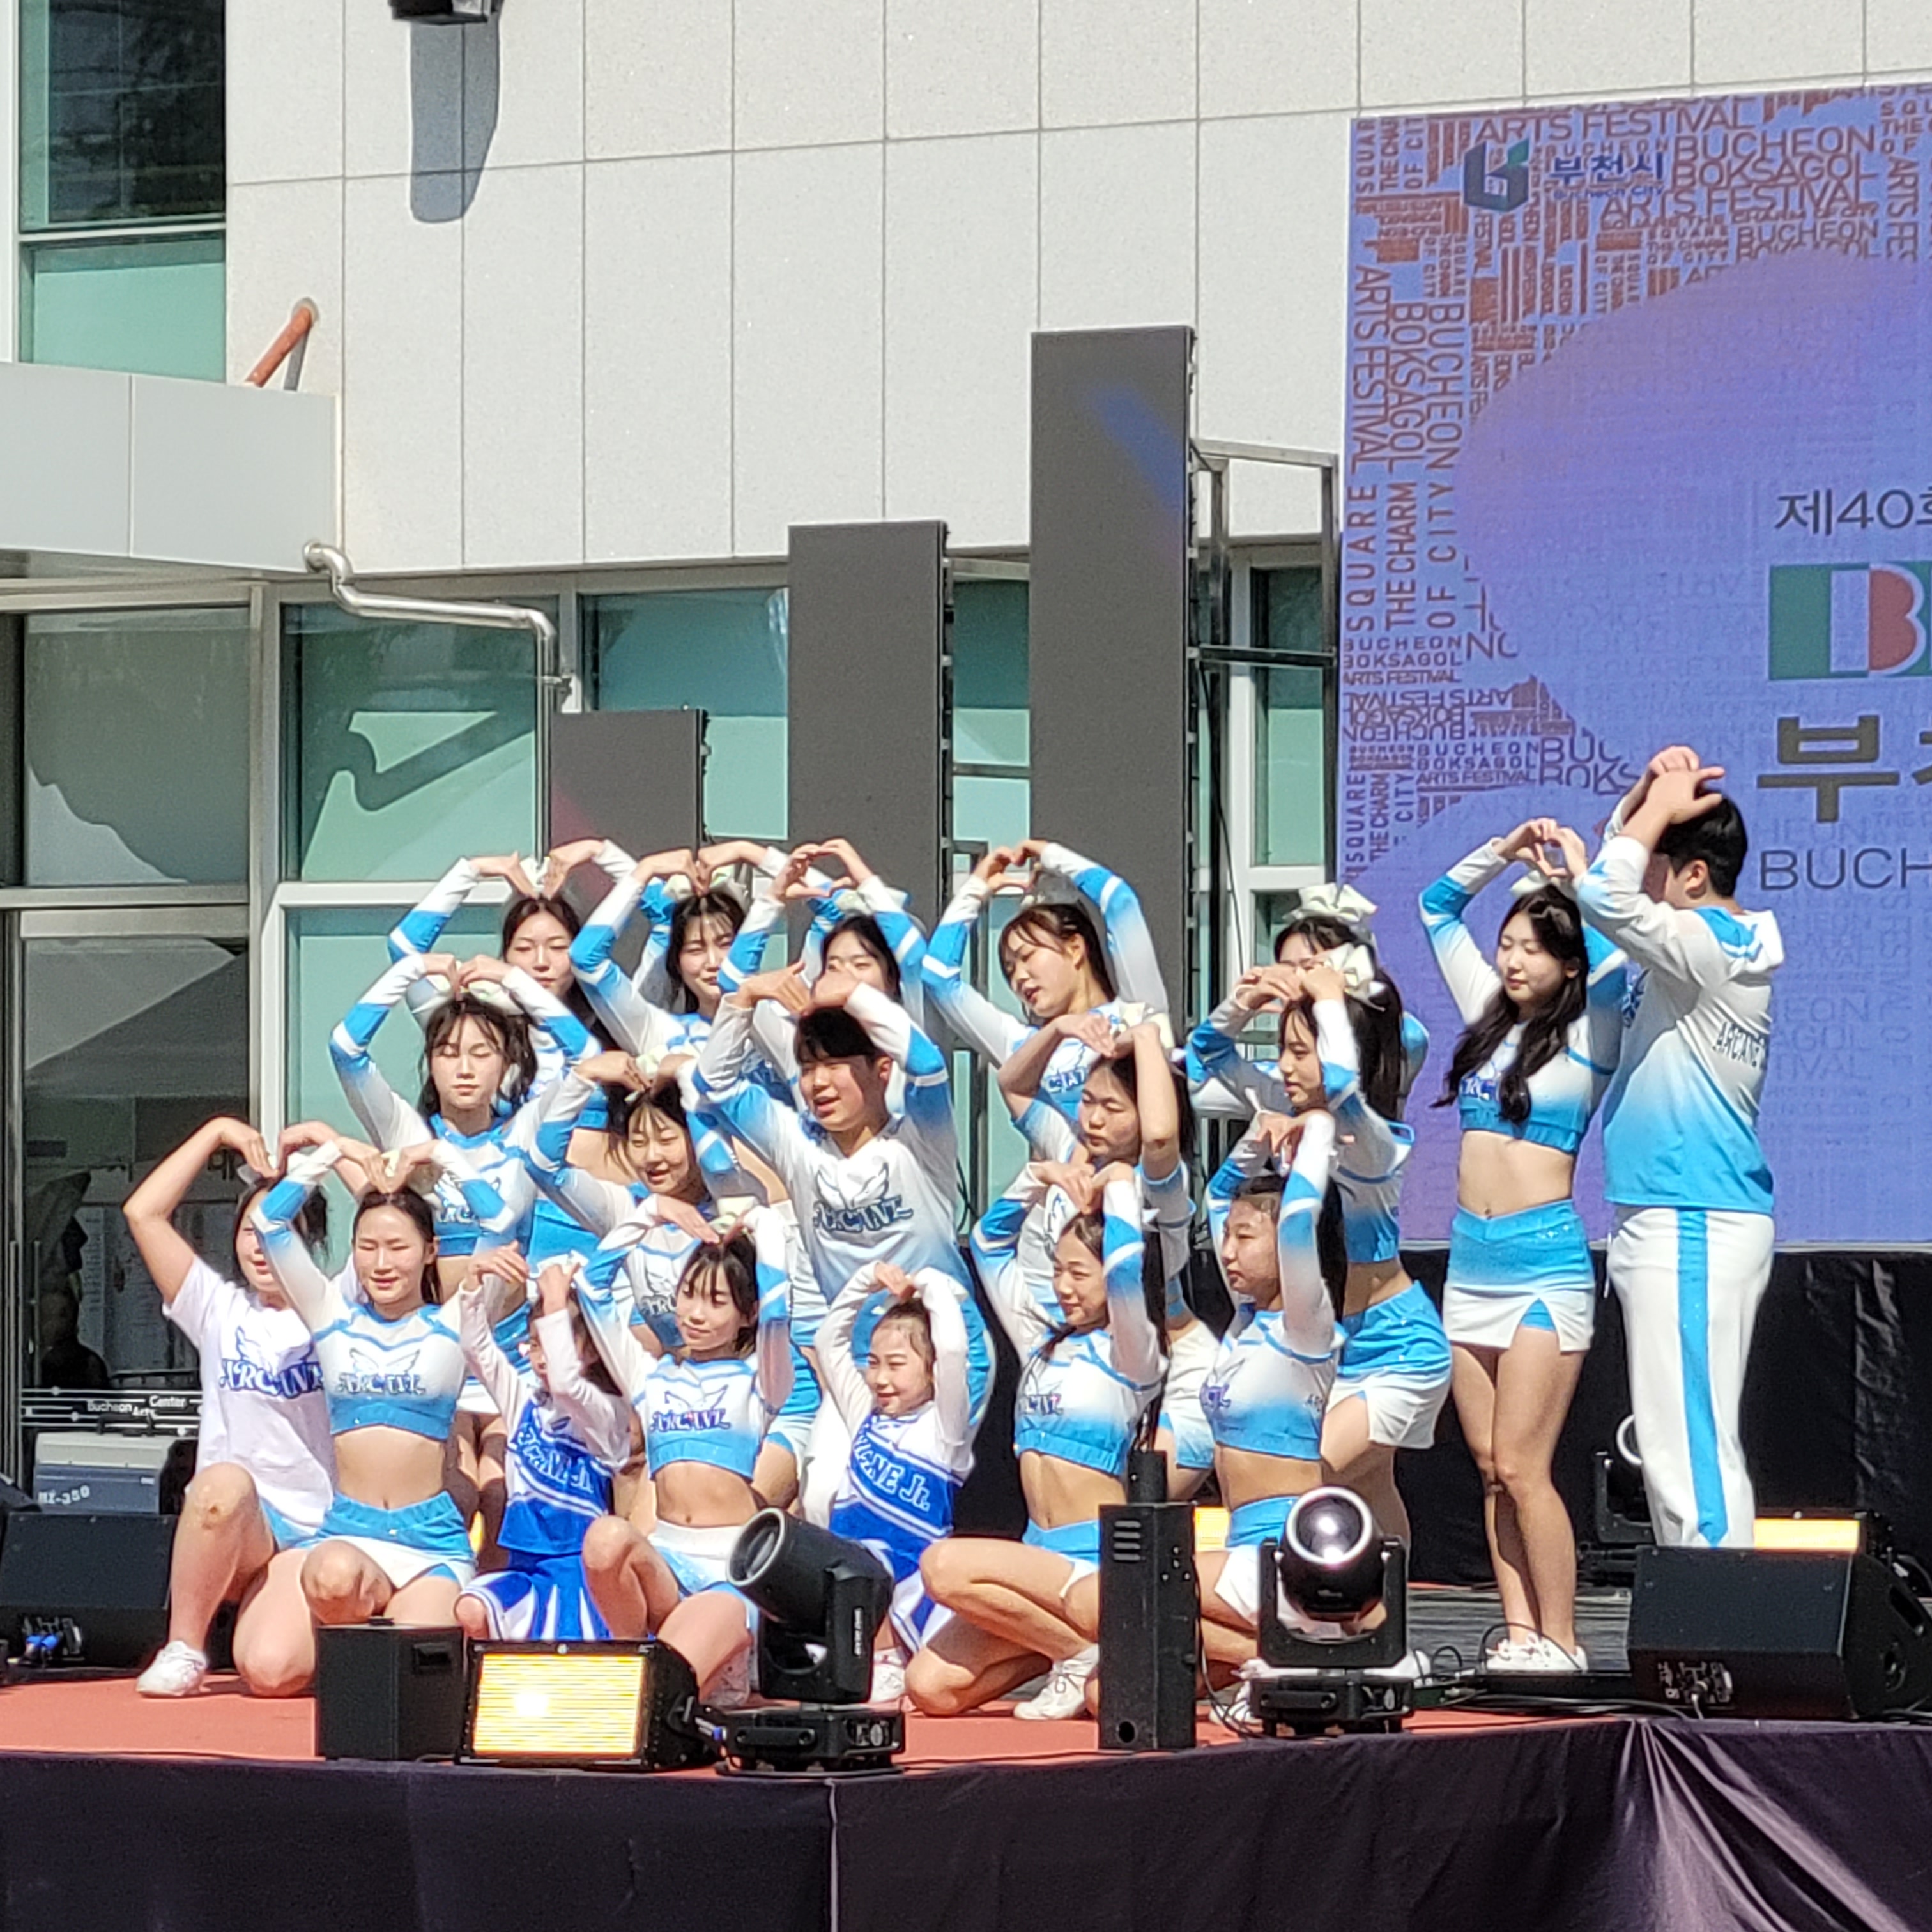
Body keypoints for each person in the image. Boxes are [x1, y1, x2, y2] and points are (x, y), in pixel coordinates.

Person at [1421, 821, 1625, 1669]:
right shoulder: (1487, 1016)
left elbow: (1615, 959)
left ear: (1567, 964)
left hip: (1544, 1267)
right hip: (1471, 1265)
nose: (1511, 960)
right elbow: (1437, 908)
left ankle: (1564, 1640)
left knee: (1523, 1463)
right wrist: (1503, 852)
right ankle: (1519, 1633)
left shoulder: (1592, 1031)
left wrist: (1575, 881)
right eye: (1507, 945)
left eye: (1533, 949)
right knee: (1488, 1467)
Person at [1574, 749, 1782, 1549]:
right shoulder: (1692, 947)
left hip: (1693, 1212)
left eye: (1657, 864)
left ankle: (1724, 1607)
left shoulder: (1710, 944)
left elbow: (1604, 893)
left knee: (1689, 1443)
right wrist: (1644, 799)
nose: (1644, 881)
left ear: (1694, 875)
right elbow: (1611, 879)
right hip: (1671, 1210)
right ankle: (1708, 1602)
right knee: (1671, 1441)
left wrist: (1659, 807)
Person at [1197, 960, 1448, 1541]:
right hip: (1326, 1341)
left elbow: (1342, 1086)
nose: (1284, 1067)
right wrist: (1246, 1000)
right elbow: (1209, 1049)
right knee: (1369, 1489)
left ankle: (1338, 1598)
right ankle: (1386, 1599)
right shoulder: (1290, 1105)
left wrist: (1331, 996)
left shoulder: (1374, 1141)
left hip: (1396, 1347)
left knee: (1307, 1480)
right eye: (1280, 1051)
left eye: (1298, 1052)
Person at [907, 1170, 1162, 1721]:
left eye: (1079, 1273)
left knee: (944, 1566)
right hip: (1037, 1556)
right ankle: (1070, 1650)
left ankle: (1077, 1652)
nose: (1064, 1287)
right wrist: (1036, 1177)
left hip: (1093, 1559)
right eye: (1057, 1271)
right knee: (931, 1688)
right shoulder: (1041, 1339)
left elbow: (1126, 1271)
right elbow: (988, 1243)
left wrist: (1119, 1186)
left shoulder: (1131, 1353)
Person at [126, 1117, 342, 1698]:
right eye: (251, 1230)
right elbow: (144, 1214)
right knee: (221, 1484)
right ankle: (184, 1647)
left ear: (310, 1240)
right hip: (235, 1521)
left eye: (282, 1228)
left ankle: (289, 1615)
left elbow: (396, 1221)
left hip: (310, 1530)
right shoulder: (218, 1308)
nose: (261, 1244)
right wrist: (218, 1132)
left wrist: (334, 1148)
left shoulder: (341, 1305)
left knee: (273, 1673)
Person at [250, 1142, 507, 1627]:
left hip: (430, 1540)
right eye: (367, 1248)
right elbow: (269, 1223)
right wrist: (331, 1153)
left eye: (398, 1247)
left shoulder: (456, 1322)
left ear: (430, 1251)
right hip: (350, 1531)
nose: (382, 1263)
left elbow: (500, 1222)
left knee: (408, 1655)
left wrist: (439, 1152)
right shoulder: (330, 1314)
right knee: (295, 1635)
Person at [576, 1205, 792, 1699]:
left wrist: (763, 1226)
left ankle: (722, 1658)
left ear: (747, 1314)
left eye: (717, 1302)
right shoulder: (649, 1377)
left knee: (666, 1689)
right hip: (668, 1562)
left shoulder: (761, 1380)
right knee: (606, 1538)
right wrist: (651, 1213)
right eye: (689, 1294)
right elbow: (591, 1287)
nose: (695, 1313)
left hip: (730, 1571)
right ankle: (628, 1655)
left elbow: (779, 1310)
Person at [997, 1015, 1212, 1507]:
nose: (1093, 1119)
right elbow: (1013, 1085)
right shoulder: (1071, 1151)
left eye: (1112, 1108)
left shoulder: (1159, 1185)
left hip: (1175, 1366)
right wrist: (1059, 1029)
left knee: (1134, 1513)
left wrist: (1145, 1038)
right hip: (1090, 1361)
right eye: (1087, 1101)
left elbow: (1160, 1138)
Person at [1192, 1110, 1341, 1661]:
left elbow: (1299, 1222)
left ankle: (1295, 1650)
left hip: (1286, 1544)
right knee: (1110, 1684)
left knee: (1138, 1592)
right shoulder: (1245, 1321)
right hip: (1239, 1544)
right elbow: (1216, 1197)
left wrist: (1316, 1129)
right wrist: (1257, 1135)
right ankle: (1288, 1656)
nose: (1227, 1251)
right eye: (1226, 1237)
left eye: (1245, 1237)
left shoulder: (1304, 1325)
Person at [922, 838, 1170, 1124]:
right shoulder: (1021, 1044)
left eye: (1027, 957)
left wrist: (1051, 854)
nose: (1019, 977)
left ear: (1075, 949)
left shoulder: (1137, 1011)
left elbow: (1120, 902)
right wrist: (975, 890)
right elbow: (938, 976)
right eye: (1009, 969)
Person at [817, 1261, 973, 1701]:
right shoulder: (864, 1411)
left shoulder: (945, 1430)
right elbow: (828, 1341)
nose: (880, 1379)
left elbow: (954, 1352)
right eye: (873, 1364)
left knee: (866, 1560)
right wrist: (865, 1278)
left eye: (897, 1365)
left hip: (913, 1582)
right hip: (851, 1585)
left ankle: (888, 1661)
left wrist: (929, 1284)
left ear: (931, 1369)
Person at [454, 1257, 631, 1641]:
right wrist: (472, 1285)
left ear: (592, 1351)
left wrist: (556, 1303)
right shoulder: (524, 1402)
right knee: (471, 1608)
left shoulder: (607, 1414)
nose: (542, 1356)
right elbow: (476, 1350)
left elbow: (567, 1384)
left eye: (553, 1342)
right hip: (524, 1565)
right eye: (535, 1344)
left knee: (566, 1655)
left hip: (580, 1568)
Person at [1190, 882, 1429, 1118]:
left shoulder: (1398, 1043)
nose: (1296, 978)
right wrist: (1240, 1005)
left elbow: (1340, 1080)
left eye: (1309, 966)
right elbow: (1199, 1076)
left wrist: (1331, 997)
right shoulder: (1284, 1084)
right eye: (1285, 968)